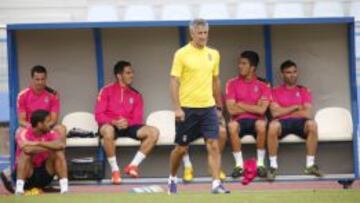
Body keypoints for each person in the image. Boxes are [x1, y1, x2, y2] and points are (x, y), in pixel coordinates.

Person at [168, 18, 229, 194]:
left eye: (205, 33)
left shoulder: (214, 54)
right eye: (200, 33)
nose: (203, 37)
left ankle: (216, 184)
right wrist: (177, 108)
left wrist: (218, 106)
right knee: (181, 149)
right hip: (187, 109)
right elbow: (174, 81)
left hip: (208, 108)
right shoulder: (181, 54)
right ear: (192, 33)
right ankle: (172, 177)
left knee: (213, 144)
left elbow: (215, 80)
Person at [1, 65, 67, 194]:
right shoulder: (23, 95)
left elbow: (53, 119)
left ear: (46, 79)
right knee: (20, 135)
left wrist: (43, 132)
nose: (40, 82)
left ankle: (63, 185)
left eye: (43, 79)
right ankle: (16, 178)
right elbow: (21, 120)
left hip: (46, 127)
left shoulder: (53, 96)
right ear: (32, 79)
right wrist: (34, 129)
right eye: (37, 79)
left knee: (62, 130)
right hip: (30, 127)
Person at [95, 60, 159, 184]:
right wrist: (114, 122)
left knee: (154, 132)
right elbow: (98, 115)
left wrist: (126, 123)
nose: (131, 75)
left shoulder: (136, 95)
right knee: (107, 130)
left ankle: (133, 166)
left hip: (129, 126)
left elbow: (138, 119)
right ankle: (115, 171)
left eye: (132, 72)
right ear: (119, 75)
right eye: (128, 73)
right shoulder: (106, 90)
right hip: (110, 125)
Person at [267, 60, 322, 181]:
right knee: (272, 126)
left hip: (300, 123)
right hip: (282, 123)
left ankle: (310, 165)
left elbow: (308, 113)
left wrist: (284, 110)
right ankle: (273, 166)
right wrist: (296, 107)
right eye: (288, 72)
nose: (292, 75)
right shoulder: (274, 91)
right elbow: (275, 113)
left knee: (312, 124)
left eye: (294, 72)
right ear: (282, 74)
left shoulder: (304, 90)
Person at [225, 51, 271, 179]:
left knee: (262, 125)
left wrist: (241, 104)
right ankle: (239, 166)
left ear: (253, 68)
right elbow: (231, 110)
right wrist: (254, 107)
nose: (240, 66)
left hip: (257, 121)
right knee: (232, 126)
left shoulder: (263, 85)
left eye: (244, 63)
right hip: (238, 121)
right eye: (239, 63)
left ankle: (260, 165)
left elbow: (262, 111)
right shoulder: (232, 83)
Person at [14, 109, 68, 195]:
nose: (50, 124)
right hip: (28, 176)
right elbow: (27, 150)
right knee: (26, 155)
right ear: (39, 124)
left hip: (45, 173)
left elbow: (61, 145)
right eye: (47, 122)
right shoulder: (23, 132)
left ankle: (64, 189)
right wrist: (50, 147)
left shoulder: (50, 132)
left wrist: (38, 143)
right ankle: (19, 189)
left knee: (59, 153)